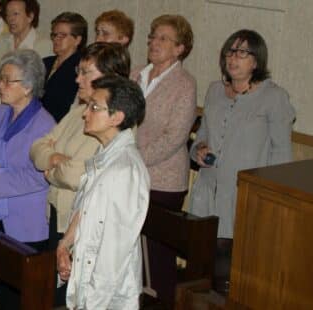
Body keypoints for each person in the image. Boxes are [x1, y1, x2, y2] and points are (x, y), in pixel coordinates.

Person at [189, 29, 295, 293]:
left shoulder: (274, 97)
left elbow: (282, 156)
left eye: (243, 52)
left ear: (256, 61)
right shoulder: (215, 90)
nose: (234, 58)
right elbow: (200, 136)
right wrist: (199, 150)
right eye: (230, 51)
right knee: (200, 275)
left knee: (229, 278)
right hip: (207, 194)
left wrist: (270, 204)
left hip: (242, 200)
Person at [30, 42, 130, 305]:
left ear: (111, 78)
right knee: (53, 293)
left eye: (86, 72)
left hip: (81, 222)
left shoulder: (114, 121)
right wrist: (54, 159)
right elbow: (37, 146)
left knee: (70, 297)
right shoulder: (78, 111)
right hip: (56, 212)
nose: (78, 78)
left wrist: (52, 167)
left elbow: (78, 175)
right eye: (79, 71)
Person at [56, 75, 149, 310]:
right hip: (89, 282)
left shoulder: (125, 169)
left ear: (116, 117)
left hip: (106, 295)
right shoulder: (105, 154)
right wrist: (65, 244)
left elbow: (114, 251)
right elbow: (86, 208)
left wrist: (92, 304)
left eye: (94, 107)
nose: (85, 113)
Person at [0, 49, 54, 309]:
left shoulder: (44, 124)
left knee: (16, 296)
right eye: (0, 78)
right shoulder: (0, 112)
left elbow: (40, 177)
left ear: (28, 87)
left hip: (24, 221)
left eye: (8, 80)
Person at [130, 14, 196, 304]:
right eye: (152, 36)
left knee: (157, 257)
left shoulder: (184, 84)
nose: (154, 43)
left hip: (163, 180)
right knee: (131, 253)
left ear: (180, 48)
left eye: (163, 39)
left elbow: (175, 137)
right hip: (130, 174)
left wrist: (132, 158)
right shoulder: (136, 75)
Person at [0, 0, 51, 87]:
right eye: (8, 14)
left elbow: (41, 84)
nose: (10, 19)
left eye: (15, 14)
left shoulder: (44, 45)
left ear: (30, 16)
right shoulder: (2, 41)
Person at [41, 12, 87, 122]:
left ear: (77, 40)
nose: (56, 39)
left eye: (62, 35)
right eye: (54, 35)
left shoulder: (80, 67)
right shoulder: (45, 62)